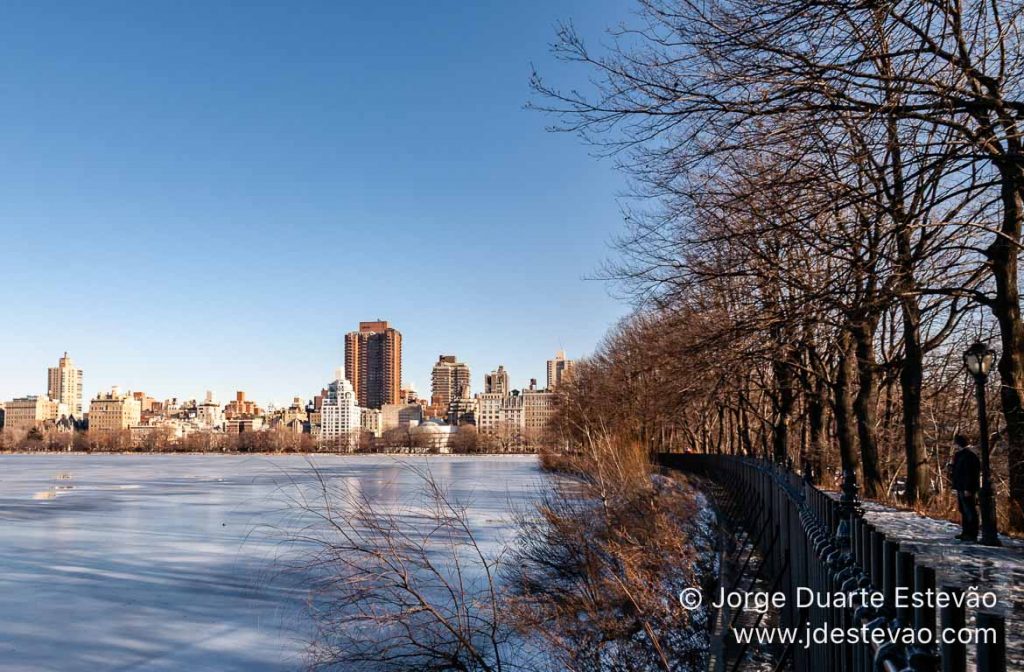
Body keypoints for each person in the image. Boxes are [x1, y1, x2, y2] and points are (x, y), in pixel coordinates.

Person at [949, 434, 981, 542]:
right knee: (963, 509)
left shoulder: (969, 455)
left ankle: (972, 533)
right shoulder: (961, 455)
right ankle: (966, 532)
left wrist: (968, 488)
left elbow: (970, 473)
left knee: (969, 510)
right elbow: (959, 470)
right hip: (961, 486)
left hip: (966, 487)